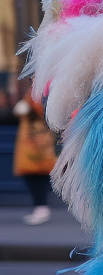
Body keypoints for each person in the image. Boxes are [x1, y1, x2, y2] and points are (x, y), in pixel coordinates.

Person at [12, 92, 55, 224]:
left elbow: (40, 110)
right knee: (35, 175)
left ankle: (41, 207)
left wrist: (28, 108)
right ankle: (41, 207)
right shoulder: (33, 92)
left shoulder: (39, 93)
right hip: (33, 142)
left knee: (38, 175)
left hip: (37, 142)